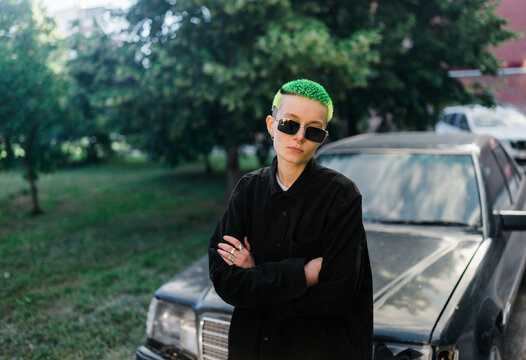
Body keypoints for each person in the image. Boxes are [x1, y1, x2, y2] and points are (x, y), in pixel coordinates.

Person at [208, 79, 373, 360]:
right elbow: (225, 279)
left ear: (323, 137)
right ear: (272, 125)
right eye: (289, 124)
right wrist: (303, 275)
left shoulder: (342, 196)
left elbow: (337, 295)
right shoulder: (248, 189)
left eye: (313, 131)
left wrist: (255, 274)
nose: (299, 136)